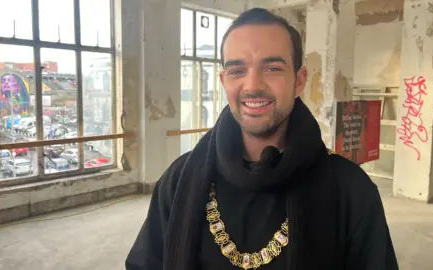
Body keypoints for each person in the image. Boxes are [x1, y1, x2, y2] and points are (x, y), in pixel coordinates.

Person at [126, 8, 398, 270]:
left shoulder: (349, 190)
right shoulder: (178, 182)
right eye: (236, 70)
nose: (253, 85)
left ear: (299, 80)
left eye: (272, 68)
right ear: (223, 80)